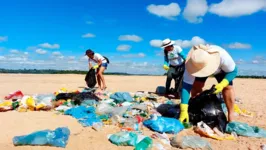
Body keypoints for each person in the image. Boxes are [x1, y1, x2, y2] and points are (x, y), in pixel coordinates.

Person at [178, 44, 238, 123]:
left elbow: (233, 71)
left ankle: (231, 114)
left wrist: (222, 84)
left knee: (228, 87)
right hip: (198, 70)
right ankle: (198, 109)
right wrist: (183, 109)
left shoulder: (222, 56)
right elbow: (186, 87)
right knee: (196, 87)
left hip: (220, 70)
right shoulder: (192, 63)